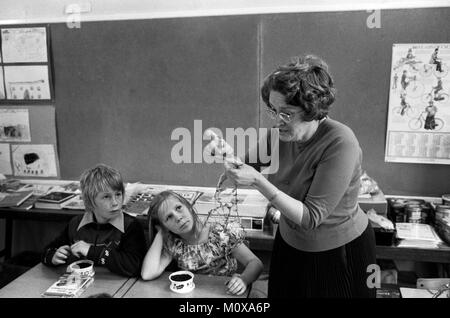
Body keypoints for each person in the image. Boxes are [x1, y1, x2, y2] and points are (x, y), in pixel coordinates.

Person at [213, 54, 377, 298]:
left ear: (311, 109)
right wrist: (226, 155)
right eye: (273, 110)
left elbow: (311, 216)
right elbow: (246, 167)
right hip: (290, 242)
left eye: (287, 113)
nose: (278, 121)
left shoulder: (341, 142)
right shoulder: (278, 135)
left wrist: (259, 182)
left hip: (338, 249)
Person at [141, 190, 263, 296]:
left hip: (225, 294)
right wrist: (160, 233)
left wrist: (244, 279)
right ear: (165, 226)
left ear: (188, 206)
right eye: (169, 217)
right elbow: (147, 274)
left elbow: (255, 263)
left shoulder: (220, 233)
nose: (178, 218)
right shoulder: (175, 244)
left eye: (178, 208)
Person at [41, 164, 147, 277]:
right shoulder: (76, 224)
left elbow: (134, 267)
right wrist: (53, 256)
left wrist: (91, 251)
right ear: (90, 201)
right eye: (106, 197)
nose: (115, 202)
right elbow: (47, 251)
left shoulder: (130, 225)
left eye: (118, 194)